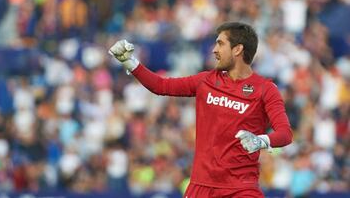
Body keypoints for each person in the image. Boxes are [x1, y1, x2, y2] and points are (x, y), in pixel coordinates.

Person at [109, 22, 293, 198]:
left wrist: (260, 140)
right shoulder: (206, 81)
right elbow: (161, 85)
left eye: (220, 44)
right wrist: (130, 62)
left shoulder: (265, 89)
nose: (214, 50)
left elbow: (285, 133)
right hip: (202, 188)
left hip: (242, 189)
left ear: (238, 49)